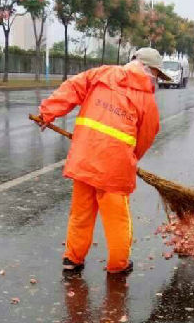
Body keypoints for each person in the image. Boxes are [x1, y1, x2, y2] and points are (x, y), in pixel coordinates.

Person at [37, 48, 170, 275]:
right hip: (114, 170)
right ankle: (118, 265)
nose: (156, 78)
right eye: (157, 73)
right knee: (116, 220)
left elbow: (72, 88)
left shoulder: (102, 74)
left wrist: (48, 111)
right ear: (150, 70)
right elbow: (146, 137)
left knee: (81, 214)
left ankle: (72, 259)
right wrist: (131, 158)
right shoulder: (147, 100)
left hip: (85, 158)